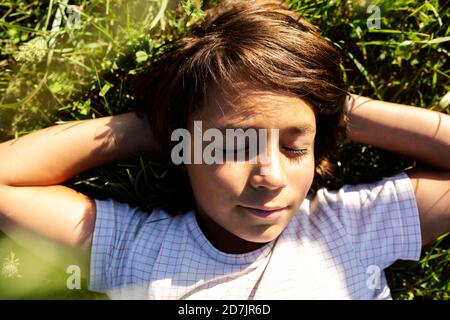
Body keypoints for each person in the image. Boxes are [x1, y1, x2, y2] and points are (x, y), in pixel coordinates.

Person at [0, 0, 449, 299]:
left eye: (294, 147)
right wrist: (154, 125)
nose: (270, 176)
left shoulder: (351, 228)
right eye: (235, 144)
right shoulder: (136, 250)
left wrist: (334, 107)